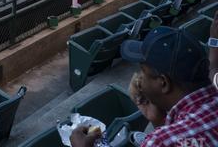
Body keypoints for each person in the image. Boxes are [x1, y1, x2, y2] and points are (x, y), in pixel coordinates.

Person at [70, 26, 218, 147]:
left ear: (163, 83)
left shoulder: (160, 142)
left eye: (143, 71)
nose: (139, 77)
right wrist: (158, 120)